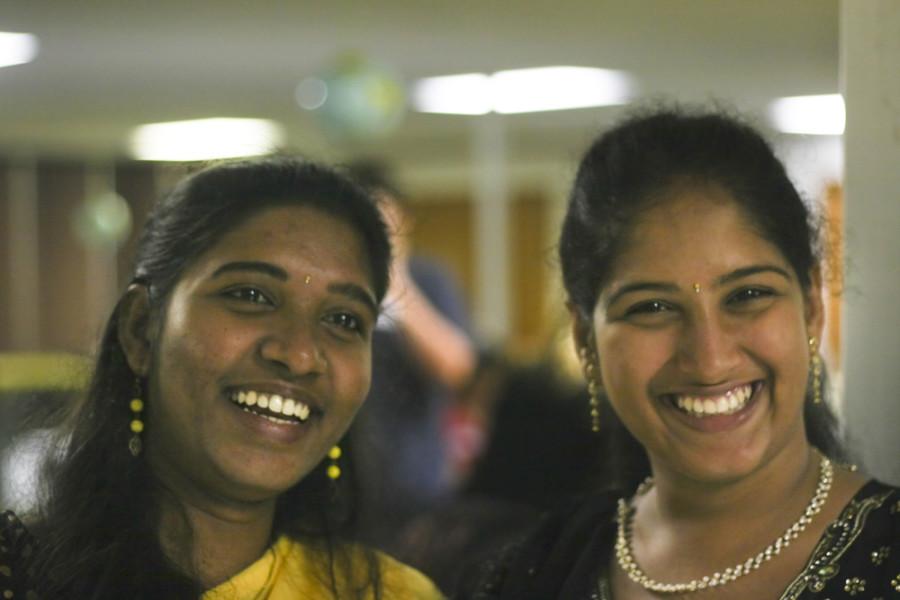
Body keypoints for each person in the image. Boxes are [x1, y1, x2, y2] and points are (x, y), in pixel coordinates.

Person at [457, 108, 899, 599]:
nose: (709, 359)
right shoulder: (539, 571)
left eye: (747, 296)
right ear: (586, 341)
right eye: (652, 308)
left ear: (812, 305)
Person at [0, 157, 444, 599]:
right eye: (251, 295)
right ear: (141, 329)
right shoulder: (23, 579)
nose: (300, 355)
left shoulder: (391, 594)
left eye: (345, 320)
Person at [346, 162, 477, 552]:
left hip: (418, 489)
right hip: (340, 488)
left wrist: (396, 282)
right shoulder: (332, 284)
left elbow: (458, 368)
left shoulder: (430, 279)